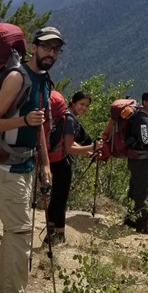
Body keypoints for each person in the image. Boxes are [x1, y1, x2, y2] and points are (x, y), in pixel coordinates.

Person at [0, 25, 63, 293]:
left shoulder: (43, 81)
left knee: (13, 234)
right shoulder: (17, 77)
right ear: (34, 47)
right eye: (46, 47)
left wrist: (45, 164)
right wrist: (21, 120)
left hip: (26, 165)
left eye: (56, 49)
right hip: (7, 166)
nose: (51, 53)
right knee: (20, 235)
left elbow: (40, 125)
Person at [46, 90, 99, 245]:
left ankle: (50, 232)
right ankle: (60, 234)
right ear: (73, 102)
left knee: (56, 198)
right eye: (82, 104)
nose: (84, 108)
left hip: (55, 160)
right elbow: (69, 148)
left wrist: (88, 153)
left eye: (87, 106)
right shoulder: (71, 120)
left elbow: (66, 142)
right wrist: (92, 146)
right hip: (63, 163)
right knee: (60, 199)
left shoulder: (66, 116)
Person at [124, 91, 148, 234]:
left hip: (139, 160)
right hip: (141, 161)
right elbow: (145, 139)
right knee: (141, 192)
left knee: (134, 190)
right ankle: (143, 224)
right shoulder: (142, 118)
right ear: (144, 102)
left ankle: (130, 218)